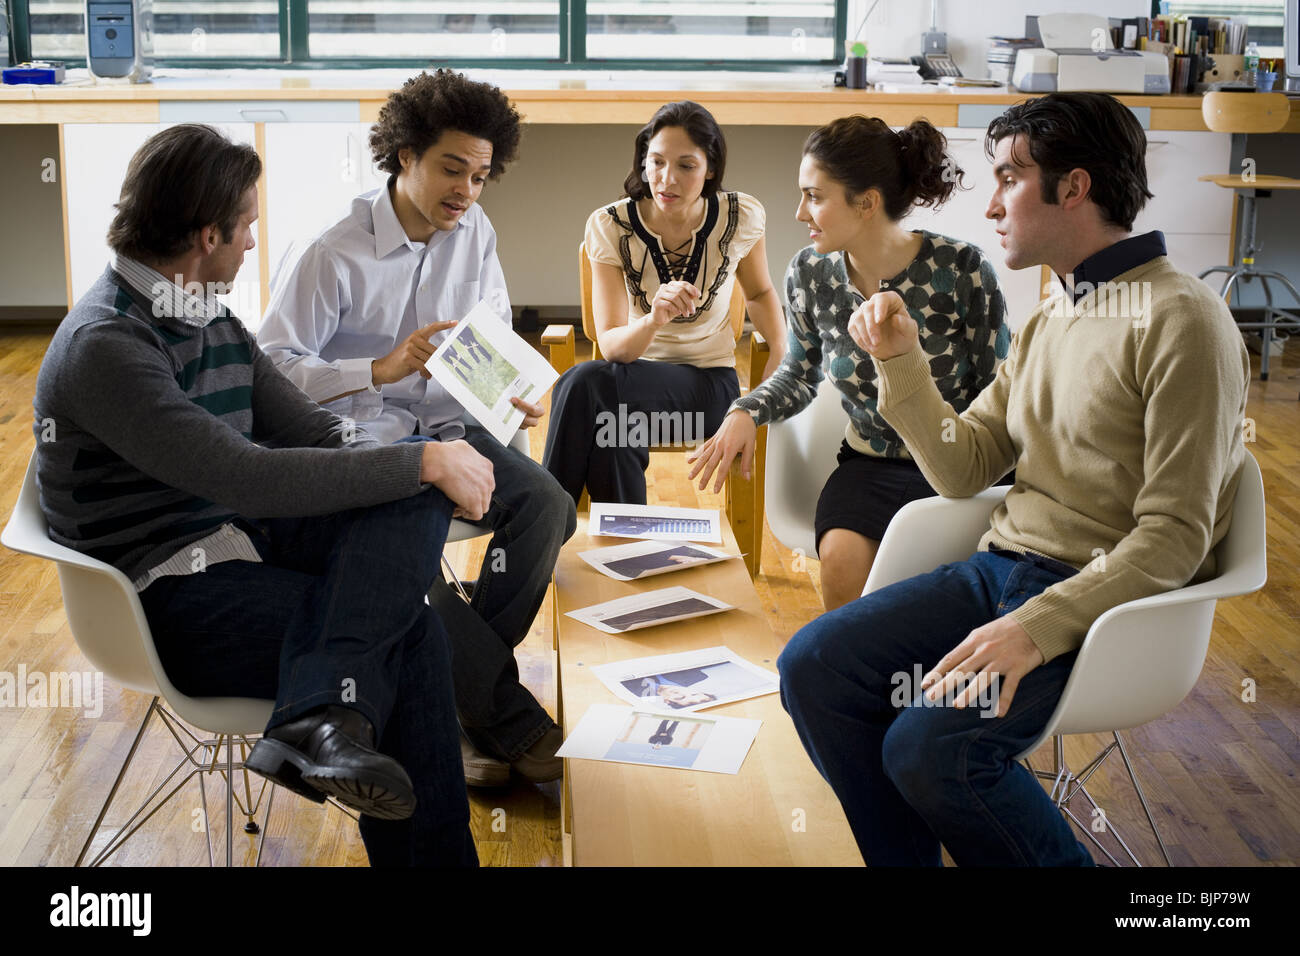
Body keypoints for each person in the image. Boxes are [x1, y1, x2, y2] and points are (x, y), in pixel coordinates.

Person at [776, 92, 1251, 866]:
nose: (990, 203)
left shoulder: (1184, 320)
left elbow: (1175, 538)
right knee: (814, 666)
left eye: (1009, 178)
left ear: (1075, 187)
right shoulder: (1052, 319)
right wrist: (901, 361)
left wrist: (1036, 627)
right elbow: (962, 467)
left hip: (1100, 603)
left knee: (931, 748)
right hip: (998, 571)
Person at [32, 123, 483, 866]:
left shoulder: (204, 312)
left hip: (242, 541)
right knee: (411, 630)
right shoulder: (106, 345)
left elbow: (309, 429)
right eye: (246, 226)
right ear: (209, 233)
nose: (251, 242)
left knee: (411, 493)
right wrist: (422, 461)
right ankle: (328, 721)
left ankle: (320, 713)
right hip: (164, 593)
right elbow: (248, 474)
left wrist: (413, 463)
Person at [257, 69, 576, 789]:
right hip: (366, 442)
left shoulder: (476, 234)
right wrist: (380, 367)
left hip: (455, 426)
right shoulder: (330, 253)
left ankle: (465, 691)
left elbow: (486, 335)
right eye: (451, 169)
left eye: (482, 176)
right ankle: (505, 714)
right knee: (409, 548)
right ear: (405, 156)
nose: (465, 191)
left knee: (548, 508)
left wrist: (510, 394)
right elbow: (271, 372)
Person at [688, 116, 1011, 611]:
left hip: (960, 468)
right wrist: (745, 411)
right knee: (840, 560)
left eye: (815, 196)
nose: (799, 212)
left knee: (929, 599)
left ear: (867, 202)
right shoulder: (810, 272)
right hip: (870, 465)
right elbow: (798, 373)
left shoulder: (962, 270)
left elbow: (998, 389)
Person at [541, 100, 787, 507]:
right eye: (655, 162)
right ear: (642, 163)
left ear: (710, 169)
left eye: (686, 166)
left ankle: (543, 522)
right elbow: (615, 348)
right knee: (613, 426)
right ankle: (626, 550)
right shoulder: (611, 226)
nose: (666, 179)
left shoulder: (740, 216)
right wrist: (654, 318)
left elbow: (760, 293)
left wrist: (776, 356)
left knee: (586, 384)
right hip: (629, 389)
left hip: (708, 395)